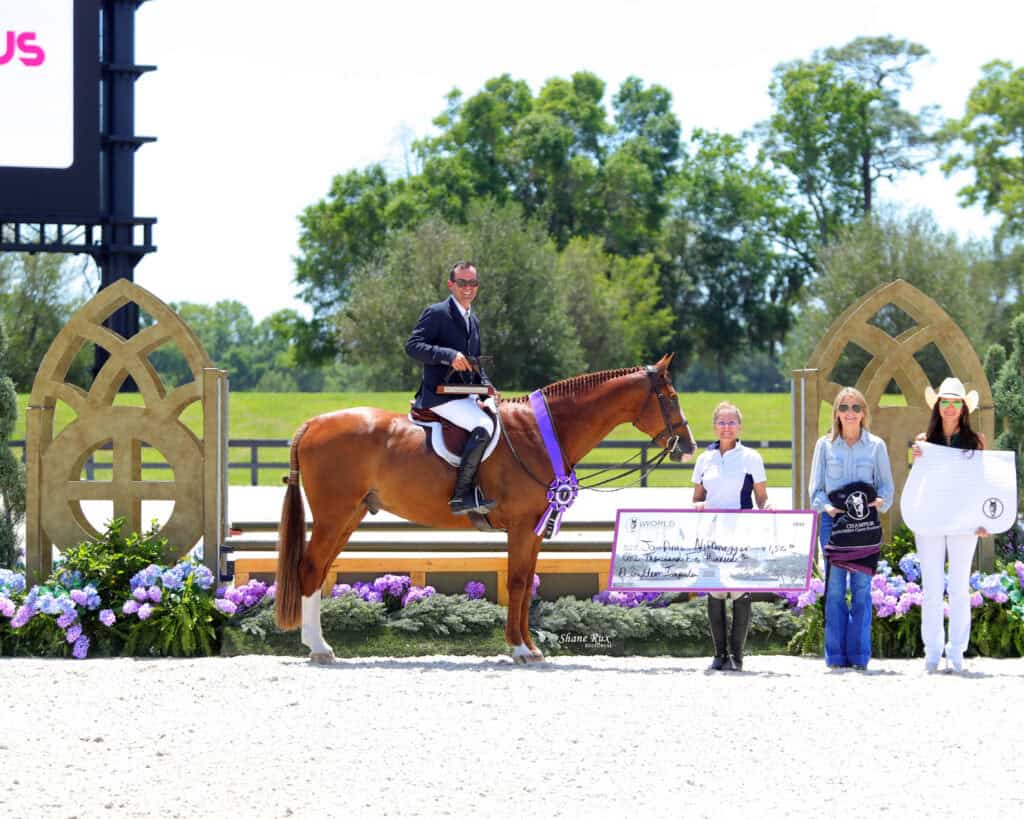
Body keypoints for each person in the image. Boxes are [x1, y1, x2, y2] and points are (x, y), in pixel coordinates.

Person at [808, 387, 894, 671]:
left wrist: (880, 502)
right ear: (836, 413)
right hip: (833, 524)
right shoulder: (824, 446)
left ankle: (859, 656)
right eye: (844, 407)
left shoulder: (876, 446)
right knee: (834, 589)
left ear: (864, 412)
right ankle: (835, 656)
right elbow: (815, 490)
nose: (850, 413)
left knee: (861, 588)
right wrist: (827, 507)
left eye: (856, 407)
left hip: (864, 526)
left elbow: (887, 488)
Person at [405, 262, 496, 515]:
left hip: (466, 394)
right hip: (440, 395)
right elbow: (413, 346)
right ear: (451, 285)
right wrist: (448, 355)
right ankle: (461, 495)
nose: (468, 288)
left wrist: (488, 388)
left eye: (472, 283)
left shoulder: (473, 320)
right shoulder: (437, 313)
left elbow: (476, 364)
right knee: (483, 426)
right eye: (462, 282)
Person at [911, 377, 988, 674]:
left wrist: (983, 518)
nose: (951, 407)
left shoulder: (975, 442)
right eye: (946, 401)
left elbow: (982, 481)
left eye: (956, 402)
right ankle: (932, 652)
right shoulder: (924, 441)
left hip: (964, 521)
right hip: (930, 519)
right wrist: (916, 457)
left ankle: (956, 651)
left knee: (958, 587)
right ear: (938, 405)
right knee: (931, 587)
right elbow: (919, 482)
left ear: (964, 408)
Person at [691, 401, 770, 671]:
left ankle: (737, 656)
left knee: (738, 590)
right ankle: (719, 655)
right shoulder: (704, 459)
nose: (727, 427)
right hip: (712, 534)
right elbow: (697, 498)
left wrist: (769, 507)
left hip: (741, 532)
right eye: (722, 422)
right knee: (715, 590)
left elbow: (761, 497)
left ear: (740, 426)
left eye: (732, 422)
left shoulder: (751, 457)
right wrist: (698, 506)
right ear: (715, 426)